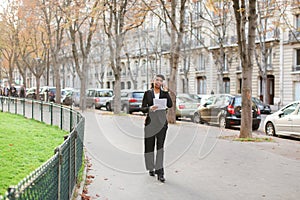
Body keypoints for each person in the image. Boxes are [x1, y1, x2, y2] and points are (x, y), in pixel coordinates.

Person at [141, 74, 173, 183]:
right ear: (153, 81)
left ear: (162, 83)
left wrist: (167, 92)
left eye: (160, 80)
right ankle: (151, 167)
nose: (158, 82)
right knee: (149, 148)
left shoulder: (164, 93)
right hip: (150, 124)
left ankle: (160, 173)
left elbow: (170, 104)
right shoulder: (148, 93)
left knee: (160, 148)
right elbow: (142, 108)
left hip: (162, 124)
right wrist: (149, 108)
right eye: (156, 80)